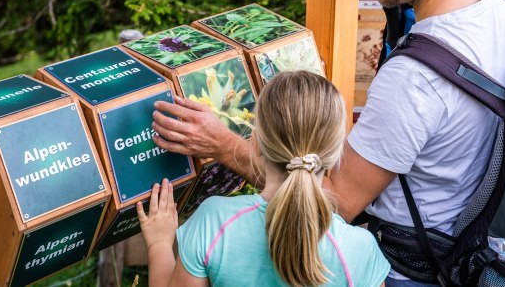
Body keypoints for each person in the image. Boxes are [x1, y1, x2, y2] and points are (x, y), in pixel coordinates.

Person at [151, 0, 505, 286]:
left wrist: (224, 146)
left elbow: (332, 203)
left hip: (411, 273)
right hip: (495, 255)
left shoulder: (414, 78)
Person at [137, 71, 389, 286]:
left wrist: (159, 244)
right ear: (335, 154)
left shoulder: (214, 221)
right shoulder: (359, 249)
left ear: (255, 142)